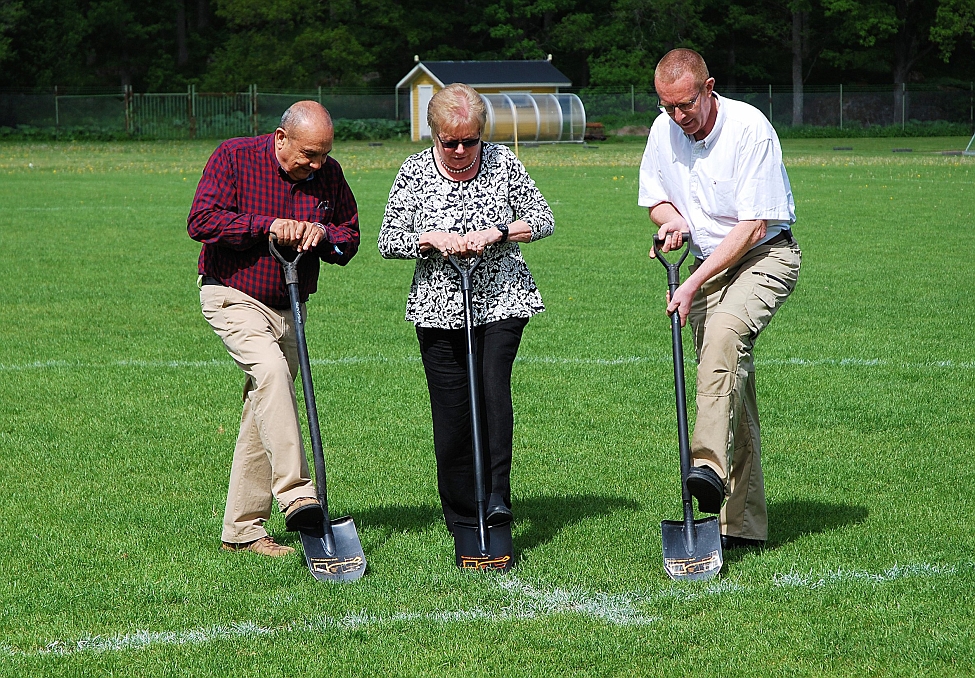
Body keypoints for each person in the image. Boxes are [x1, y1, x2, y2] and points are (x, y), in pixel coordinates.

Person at [639, 49, 801, 550]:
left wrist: (690, 283)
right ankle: (743, 527)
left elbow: (753, 225)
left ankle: (704, 465)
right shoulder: (663, 130)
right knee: (731, 385)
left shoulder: (750, 127)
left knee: (724, 340)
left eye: (686, 104)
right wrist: (674, 221)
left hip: (764, 256)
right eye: (667, 107)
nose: (677, 116)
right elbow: (656, 197)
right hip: (709, 264)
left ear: (709, 88)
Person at [378, 83, 554, 535]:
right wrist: (429, 239)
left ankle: (496, 499)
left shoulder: (503, 163)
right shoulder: (414, 172)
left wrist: (497, 232)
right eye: (449, 141)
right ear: (434, 135)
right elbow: (387, 240)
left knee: (492, 388)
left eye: (470, 140)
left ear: (482, 134)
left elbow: (542, 219)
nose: (460, 150)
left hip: (501, 296)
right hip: (438, 305)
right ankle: (461, 514)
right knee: (452, 410)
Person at [188, 101, 360, 557]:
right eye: (308, 154)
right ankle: (299, 494)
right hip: (231, 294)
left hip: (291, 307)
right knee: (271, 373)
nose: (316, 164)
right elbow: (201, 221)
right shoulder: (234, 157)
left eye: (324, 154)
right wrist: (268, 226)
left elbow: (350, 236)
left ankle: (241, 531)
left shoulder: (330, 175)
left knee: (264, 406)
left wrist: (323, 236)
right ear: (281, 139)